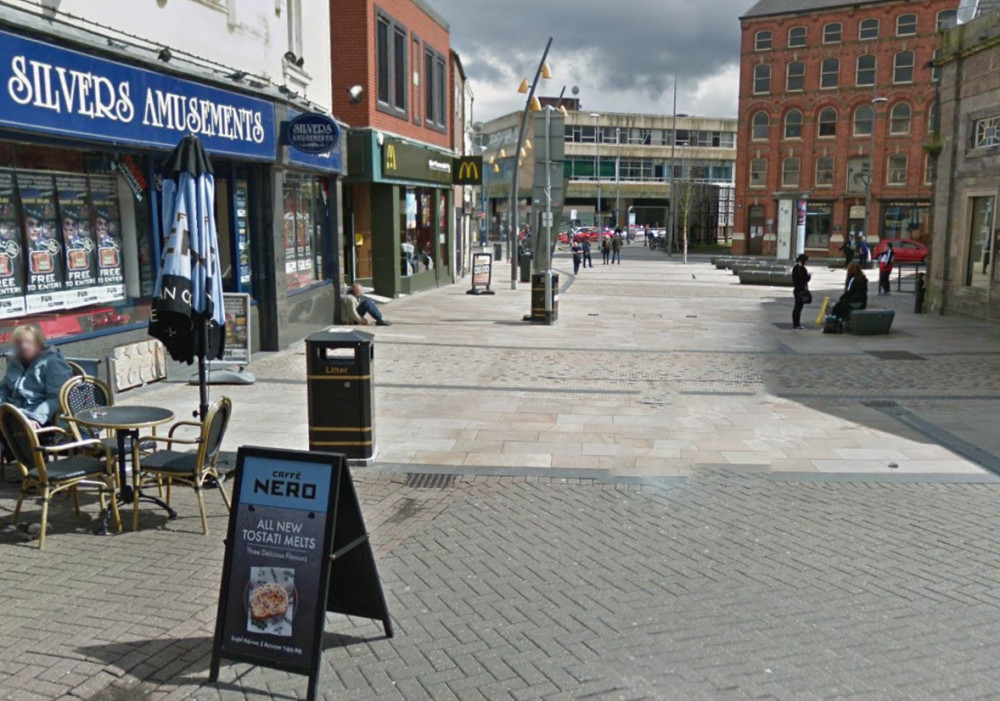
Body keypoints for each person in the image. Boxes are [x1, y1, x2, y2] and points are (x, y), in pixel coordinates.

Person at [0, 325, 73, 429]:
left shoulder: (52, 363)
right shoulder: (15, 361)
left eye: (28, 342)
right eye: (19, 343)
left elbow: (58, 398)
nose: (23, 346)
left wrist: (35, 418)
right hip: (14, 412)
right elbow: (4, 388)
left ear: (38, 343)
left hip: (41, 418)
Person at [791, 254, 811, 330]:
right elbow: (805, 279)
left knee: (797, 307)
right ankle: (797, 324)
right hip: (801, 290)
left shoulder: (796, 268)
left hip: (796, 289)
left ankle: (795, 323)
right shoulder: (802, 269)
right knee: (798, 307)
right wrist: (809, 276)